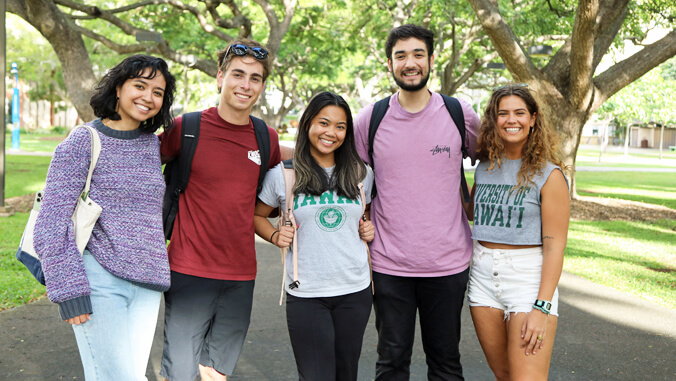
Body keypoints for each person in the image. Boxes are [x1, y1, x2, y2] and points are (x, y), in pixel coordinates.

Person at [33, 54, 176, 380]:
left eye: (158, 92)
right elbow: (51, 222)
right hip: (100, 280)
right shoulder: (84, 140)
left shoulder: (150, 146)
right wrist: (69, 290)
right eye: (140, 85)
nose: (148, 97)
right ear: (118, 88)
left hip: (148, 285)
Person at [353, 24, 481, 379]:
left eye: (418, 54)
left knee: (445, 362)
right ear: (390, 64)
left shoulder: (459, 114)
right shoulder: (370, 119)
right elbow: (352, 178)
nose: (410, 63)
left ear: (431, 60)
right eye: (400, 56)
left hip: (448, 264)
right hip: (389, 264)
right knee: (391, 362)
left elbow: (494, 158)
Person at [159, 39, 282, 381]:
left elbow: (302, 161)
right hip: (188, 270)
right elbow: (142, 161)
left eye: (255, 78)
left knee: (215, 373)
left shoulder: (265, 138)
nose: (246, 84)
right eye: (238, 74)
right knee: (179, 373)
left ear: (261, 86)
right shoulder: (187, 128)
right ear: (220, 78)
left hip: (241, 276)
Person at [253, 91, 375, 381]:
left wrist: (366, 226)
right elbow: (257, 215)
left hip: (354, 291)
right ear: (308, 124)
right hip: (307, 292)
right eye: (323, 122)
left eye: (340, 126)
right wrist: (274, 236)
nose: (331, 132)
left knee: (347, 374)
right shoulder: (283, 176)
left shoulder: (360, 173)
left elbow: (363, 213)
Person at [466, 84, 570, 380]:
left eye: (519, 113)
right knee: (504, 374)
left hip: (527, 278)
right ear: (493, 120)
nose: (511, 120)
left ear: (533, 118)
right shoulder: (485, 167)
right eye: (503, 114)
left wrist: (541, 307)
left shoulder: (549, 175)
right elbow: (473, 213)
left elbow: (554, 247)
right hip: (483, 277)